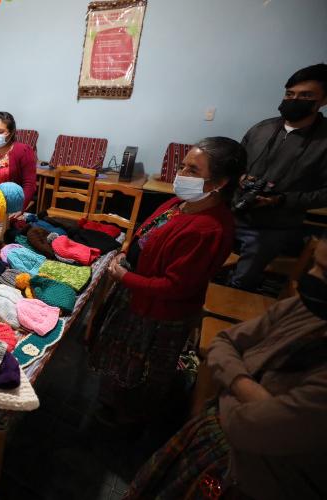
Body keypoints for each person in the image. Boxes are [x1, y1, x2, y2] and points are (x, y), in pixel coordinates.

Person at [125, 234, 327, 500]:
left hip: (251, 481)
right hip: (213, 440)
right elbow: (224, 341)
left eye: (325, 272)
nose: (310, 277)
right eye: (315, 263)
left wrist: (227, 383)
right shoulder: (302, 309)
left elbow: (244, 429)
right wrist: (251, 392)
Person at [89, 137, 246, 425]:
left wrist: (126, 276)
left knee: (140, 370)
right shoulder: (180, 203)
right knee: (119, 358)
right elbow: (145, 232)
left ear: (220, 182)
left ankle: (126, 422)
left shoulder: (208, 229)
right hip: (135, 292)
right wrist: (126, 251)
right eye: (183, 166)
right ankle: (110, 403)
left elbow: (175, 287)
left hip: (156, 312)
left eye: (193, 171)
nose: (181, 175)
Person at [230, 63, 327, 291]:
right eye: (290, 94)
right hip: (234, 212)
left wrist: (281, 199)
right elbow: (234, 163)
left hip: (274, 226)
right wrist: (240, 177)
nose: (294, 100)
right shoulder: (262, 129)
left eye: (305, 96)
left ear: (322, 100)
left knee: (241, 281)